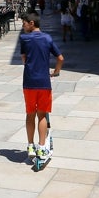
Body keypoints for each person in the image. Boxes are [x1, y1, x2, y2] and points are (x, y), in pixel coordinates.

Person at [18, 12, 64, 166]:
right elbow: (60, 58)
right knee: (42, 115)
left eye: (24, 23)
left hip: (29, 82)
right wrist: (56, 72)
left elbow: (24, 59)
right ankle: (42, 146)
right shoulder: (47, 38)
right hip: (44, 82)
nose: (23, 25)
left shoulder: (24, 39)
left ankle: (30, 146)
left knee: (30, 114)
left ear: (32, 23)